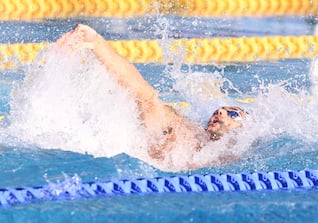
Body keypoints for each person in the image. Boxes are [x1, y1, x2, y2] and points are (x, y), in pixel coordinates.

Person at [55, 24, 246, 169]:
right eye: (221, 109)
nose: (221, 111)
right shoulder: (186, 127)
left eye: (233, 114)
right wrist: (96, 43)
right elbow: (145, 97)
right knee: (149, 100)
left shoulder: (230, 156)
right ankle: (95, 42)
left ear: (241, 130)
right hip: (136, 162)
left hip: (144, 170)